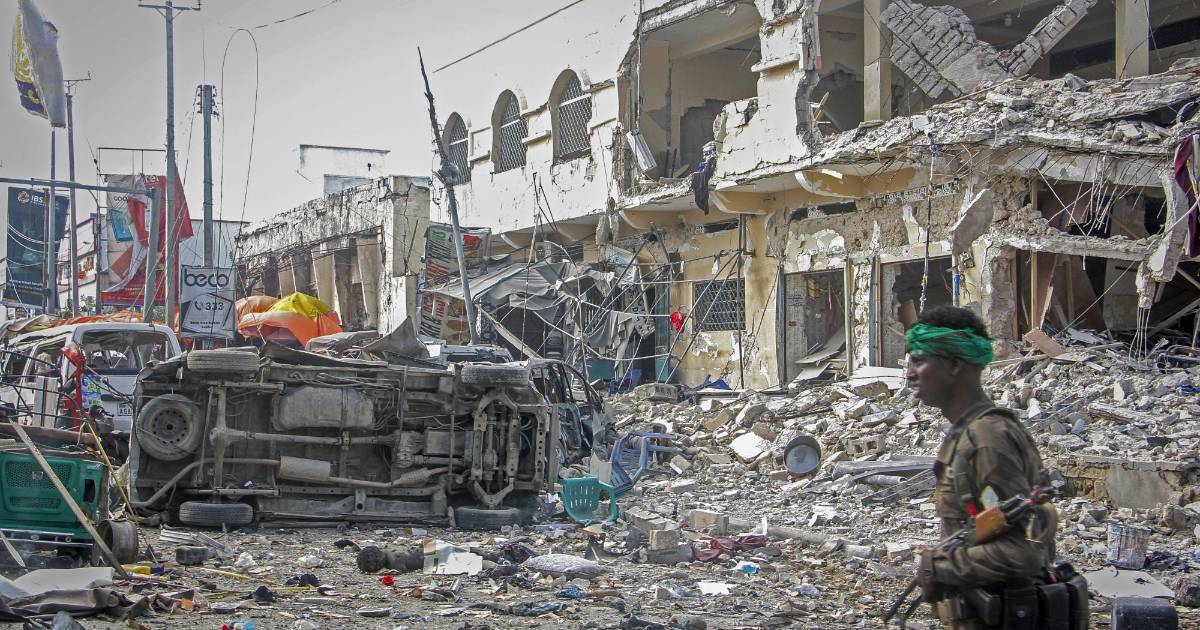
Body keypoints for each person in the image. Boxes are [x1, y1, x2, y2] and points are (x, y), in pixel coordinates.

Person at [904, 306, 1058, 629]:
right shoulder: (967, 433)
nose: (909, 373)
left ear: (954, 364)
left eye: (919, 361)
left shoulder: (987, 439)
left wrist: (940, 566)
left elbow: (1024, 552)